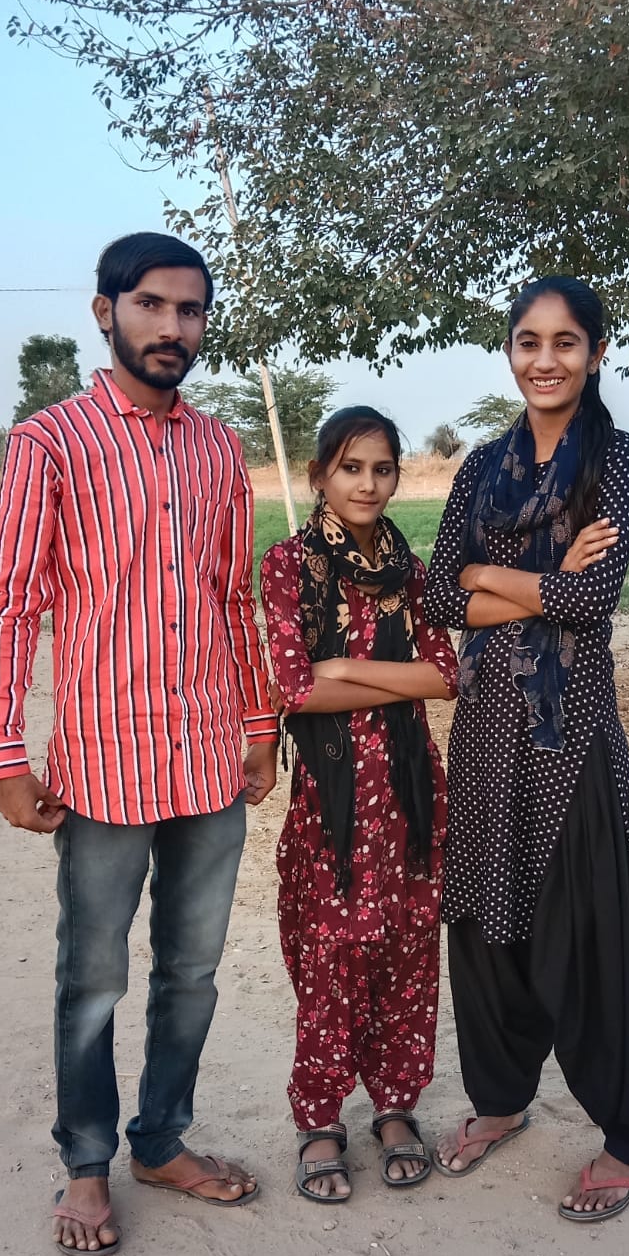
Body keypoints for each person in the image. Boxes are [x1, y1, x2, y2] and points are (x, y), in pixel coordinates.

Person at [0, 232, 278, 1256]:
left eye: (189, 312)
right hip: (104, 761)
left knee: (191, 972)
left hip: (209, 760)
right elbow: (13, 604)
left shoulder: (219, 447)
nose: (172, 328)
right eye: (151, 306)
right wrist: (4, 754)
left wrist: (259, 724)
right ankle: (88, 1164)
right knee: (93, 976)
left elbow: (236, 600)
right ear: (105, 311)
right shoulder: (48, 442)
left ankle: (161, 1139)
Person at [423, 276, 629, 1222]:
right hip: (485, 725)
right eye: (528, 341)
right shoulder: (481, 466)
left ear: (595, 353)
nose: (546, 359)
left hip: (570, 733)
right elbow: (439, 598)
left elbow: (589, 604)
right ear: (510, 353)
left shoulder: (618, 460)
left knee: (587, 931)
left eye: (566, 342)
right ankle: (501, 1101)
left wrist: (491, 574)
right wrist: (527, 575)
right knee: (485, 918)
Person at [260, 408, 458, 1203]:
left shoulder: (412, 574)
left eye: (382, 469)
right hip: (334, 799)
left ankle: (397, 1107)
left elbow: (445, 675)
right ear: (320, 476)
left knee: (408, 951)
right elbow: (292, 687)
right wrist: (337, 676)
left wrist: (342, 666)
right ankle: (319, 1119)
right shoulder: (288, 566)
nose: (368, 484)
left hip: (410, 792)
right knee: (332, 955)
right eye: (351, 468)